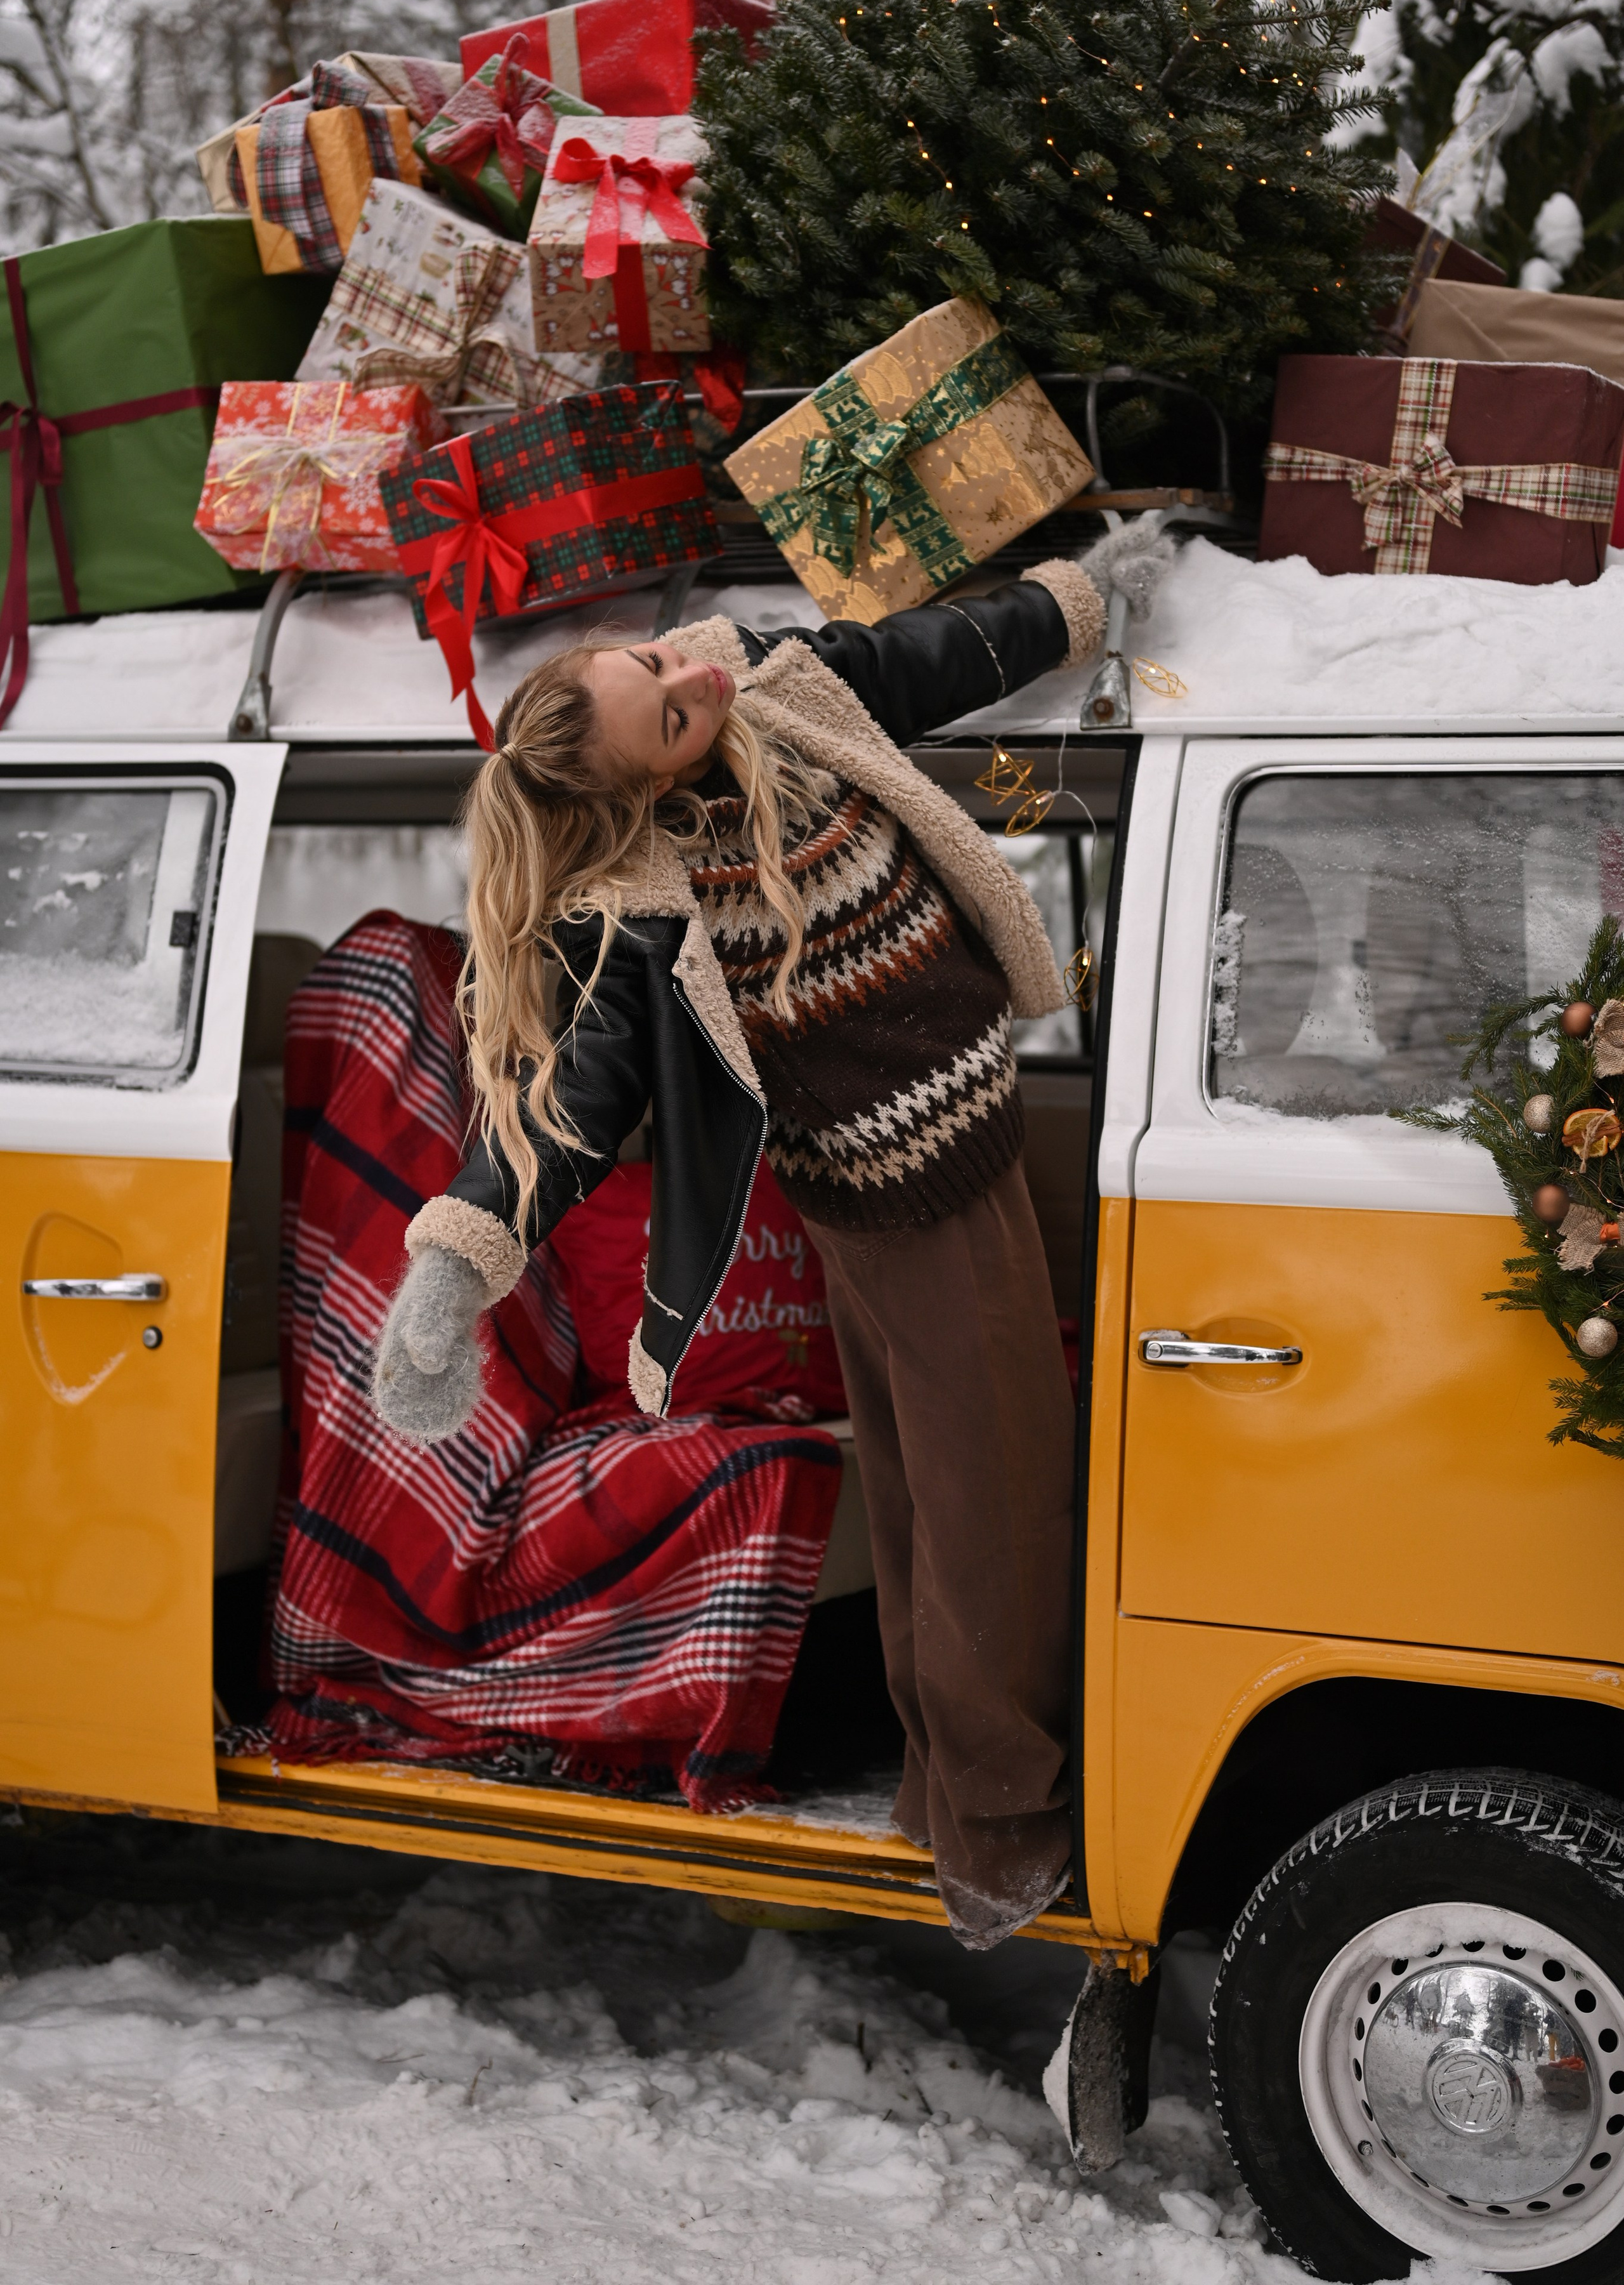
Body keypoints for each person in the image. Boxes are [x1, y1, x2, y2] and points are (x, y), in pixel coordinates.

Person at [371, 517, 1173, 1947]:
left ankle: (945, 1795)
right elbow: (562, 1109)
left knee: (945, 1491)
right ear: (637, 792)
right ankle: (998, 1828)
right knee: (996, 1492)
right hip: (887, 1193)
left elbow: (933, 656)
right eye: (669, 718)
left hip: (970, 1127)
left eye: (655, 662)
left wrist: (1077, 603)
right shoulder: (637, 908)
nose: (695, 686)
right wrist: (455, 1264)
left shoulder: (773, 676)